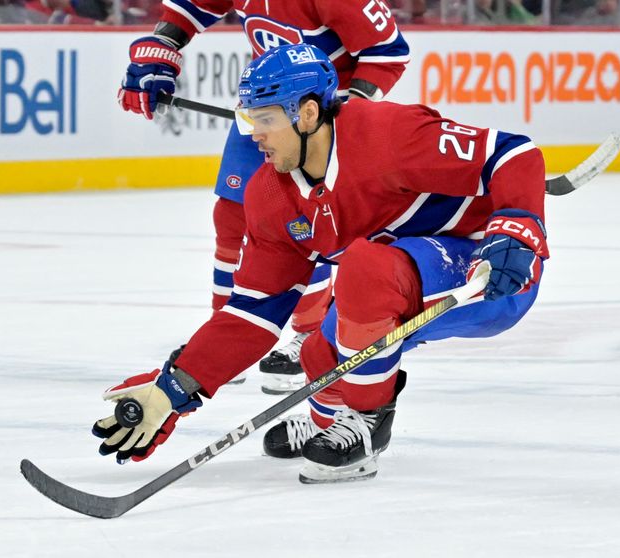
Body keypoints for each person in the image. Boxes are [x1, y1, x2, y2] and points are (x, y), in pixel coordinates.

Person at [94, 44, 548, 484]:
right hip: (395, 279)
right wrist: (173, 389)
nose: (254, 134)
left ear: (308, 113)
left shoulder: (387, 133)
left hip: (490, 273)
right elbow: (251, 314)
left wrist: (516, 228)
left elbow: (513, 154)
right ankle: (328, 421)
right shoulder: (270, 197)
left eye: (266, 119)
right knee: (317, 352)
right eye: (249, 118)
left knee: (364, 270)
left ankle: (367, 422)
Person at [117, 0, 410, 393]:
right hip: (262, 107)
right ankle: (220, 339)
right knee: (230, 218)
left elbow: (388, 52)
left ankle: (308, 333)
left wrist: (341, 111)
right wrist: (163, 46)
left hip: (315, 120)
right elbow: (194, 6)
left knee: (308, 223)